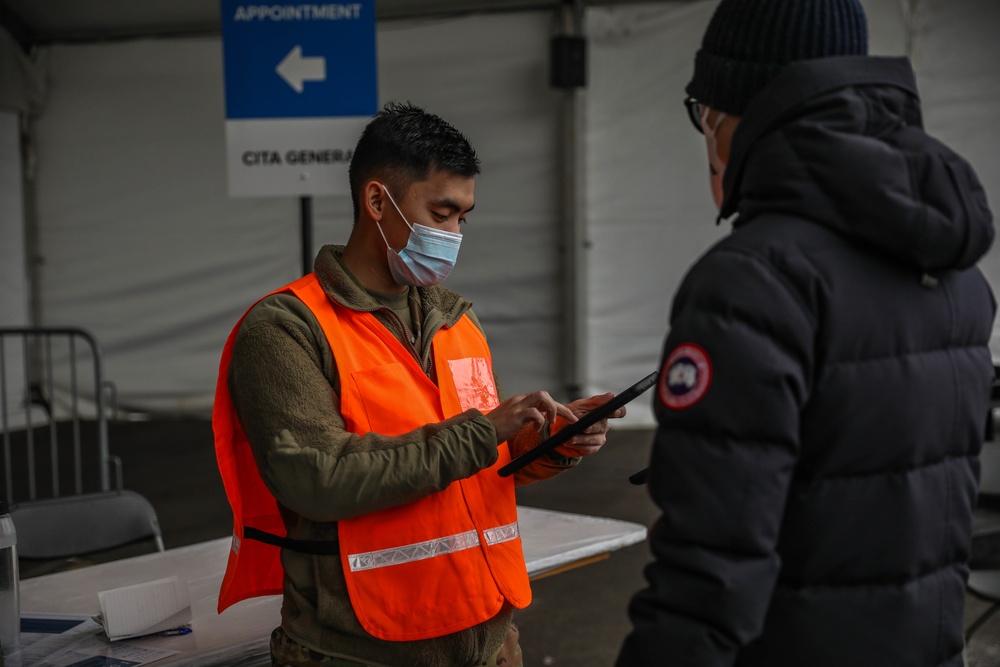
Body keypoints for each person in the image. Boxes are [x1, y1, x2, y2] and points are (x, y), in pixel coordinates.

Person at [617, 0, 996, 665]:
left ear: (734, 114)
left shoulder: (752, 282)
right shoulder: (957, 269)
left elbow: (708, 576)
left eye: (703, 114)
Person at [213, 101, 624, 667]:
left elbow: (483, 467)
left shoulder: (456, 321)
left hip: (487, 639)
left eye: (464, 217)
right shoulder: (286, 329)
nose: (455, 233)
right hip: (360, 651)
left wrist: (550, 438)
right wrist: (483, 431)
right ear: (377, 201)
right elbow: (316, 478)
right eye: (442, 213)